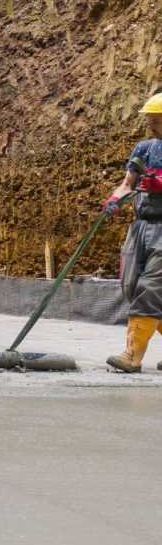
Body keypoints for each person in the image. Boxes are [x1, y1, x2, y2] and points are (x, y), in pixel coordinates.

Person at [102, 93, 162, 373]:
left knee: (149, 288)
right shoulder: (144, 148)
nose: (150, 124)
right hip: (140, 227)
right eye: (149, 119)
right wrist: (114, 199)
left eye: (155, 119)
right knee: (131, 285)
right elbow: (128, 183)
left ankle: (132, 355)